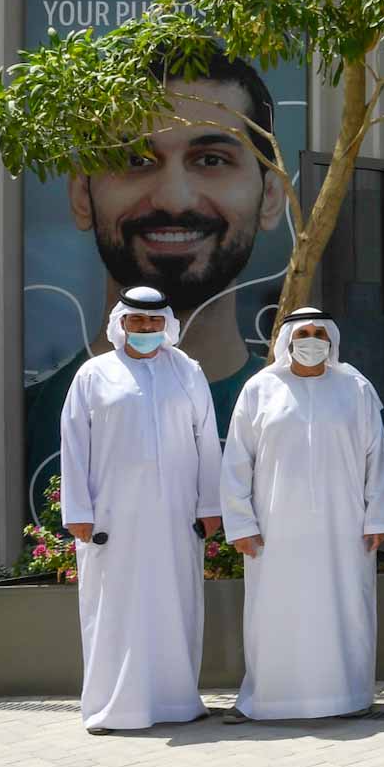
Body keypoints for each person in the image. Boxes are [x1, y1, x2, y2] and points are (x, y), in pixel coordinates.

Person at [27, 49, 285, 492]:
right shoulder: (19, 425)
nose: (174, 199)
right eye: (135, 160)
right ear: (82, 196)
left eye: (211, 160)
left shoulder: (296, 410)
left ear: (272, 197)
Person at [58, 286, 223, 734]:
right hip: (112, 516)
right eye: (137, 320)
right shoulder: (94, 374)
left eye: (153, 321)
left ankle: (176, 702)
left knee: (175, 602)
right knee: (115, 606)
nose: (146, 328)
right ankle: (114, 708)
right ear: (121, 324)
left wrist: (210, 505)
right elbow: (73, 445)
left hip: (177, 515)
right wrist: (78, 511)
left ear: (166, 323)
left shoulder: (187, 371)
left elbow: (206, 441)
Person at [219, 308, 384, 723]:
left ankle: (348, 696)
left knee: (345, 609)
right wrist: (241, 524)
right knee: (274, 613)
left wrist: (378, 518)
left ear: (331, 339)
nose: (312, 340)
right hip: (275, 530)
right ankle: (268, 699)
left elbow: (377, 458)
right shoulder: (260, 389)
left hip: (344, 528)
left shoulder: (355, 389)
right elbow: (236, 463)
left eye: (320, 333)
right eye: (303, 333)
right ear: (287, 340)